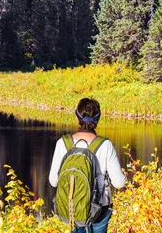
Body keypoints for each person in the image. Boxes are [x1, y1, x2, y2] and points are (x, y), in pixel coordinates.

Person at [49, 98, 126, 233]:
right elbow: (119, 183)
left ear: (77, 117)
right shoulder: (105, 144)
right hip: (100, 208)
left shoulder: (63, 143)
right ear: (98, 119)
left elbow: (53, 181)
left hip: (73, 206)